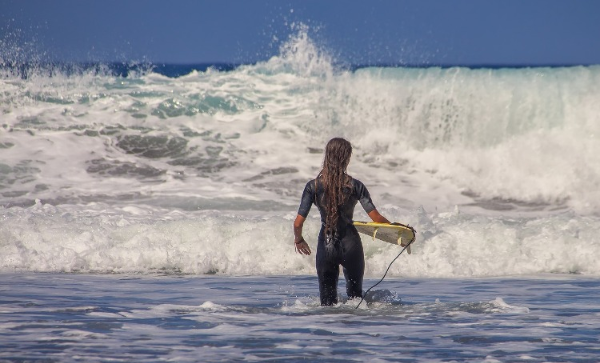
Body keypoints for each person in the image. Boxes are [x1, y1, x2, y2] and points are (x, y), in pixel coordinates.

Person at [293, 137, 392, 306]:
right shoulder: (355, 185)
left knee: (327, 304)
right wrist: (396, 229)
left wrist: (299, 239)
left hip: (326, 245)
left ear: (327, 156)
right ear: (346, 158)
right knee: (356, 300)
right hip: (352, 245)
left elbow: (297, 223)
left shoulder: (313, 186)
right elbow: (376, 218)